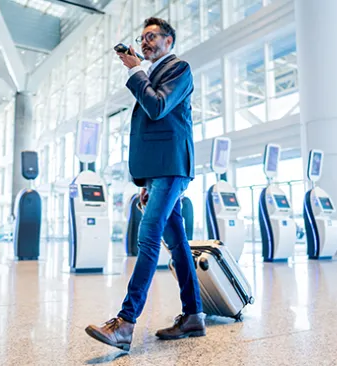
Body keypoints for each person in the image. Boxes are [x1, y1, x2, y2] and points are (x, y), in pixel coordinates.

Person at [85, 17, 205, 351]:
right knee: (177, 244)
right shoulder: (151, 74)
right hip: (159, 171)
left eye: (151, 37)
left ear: (169, 41)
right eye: (141, 38)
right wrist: (148, 180)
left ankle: (125, 323)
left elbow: (157, 107)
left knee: (148, 237)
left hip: (173, 167)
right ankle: (194, 315)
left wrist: (135, 70)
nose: (144, 42)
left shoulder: (179, 69)